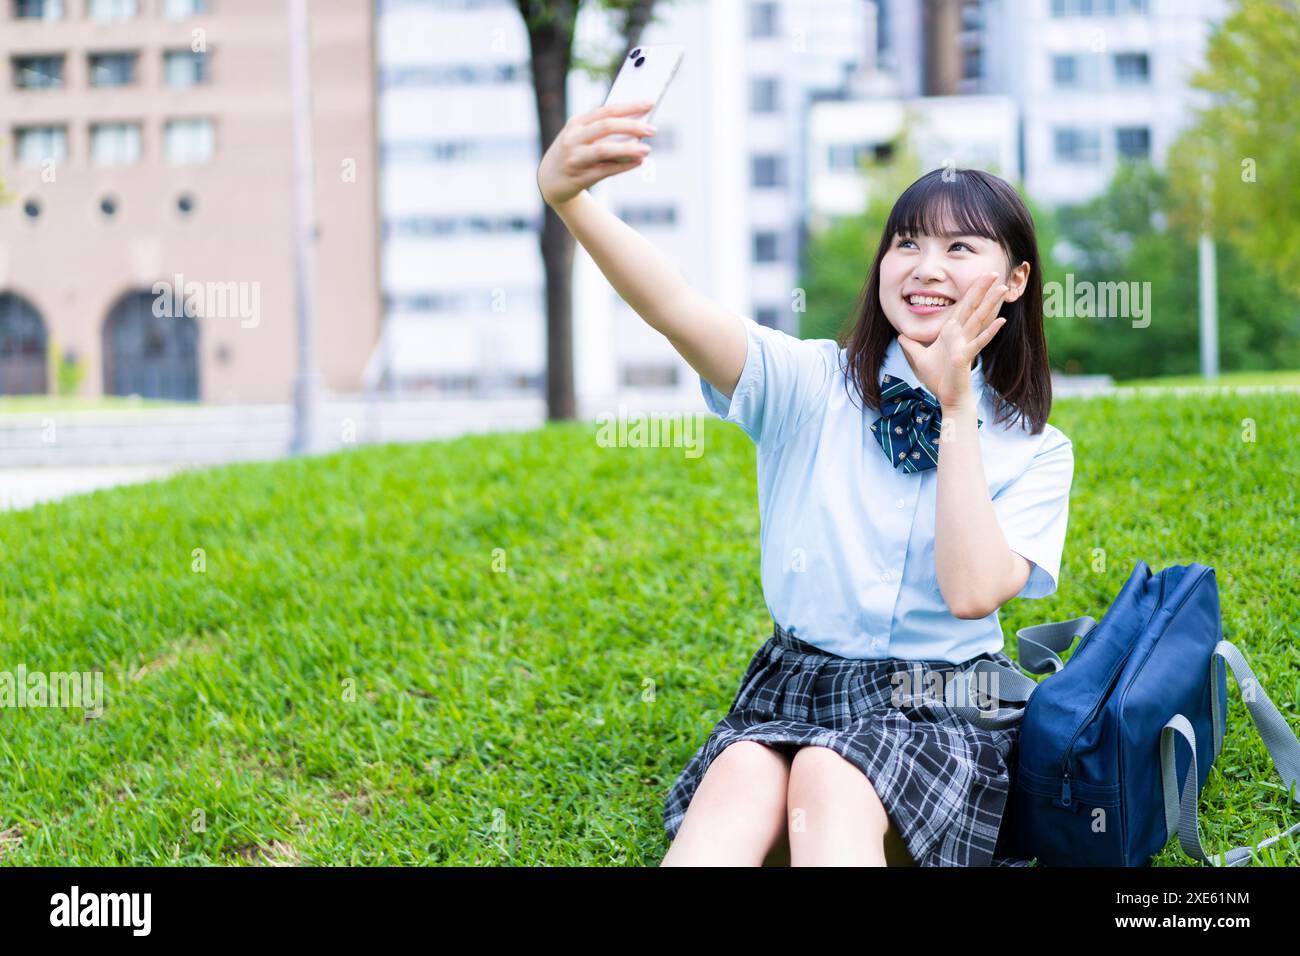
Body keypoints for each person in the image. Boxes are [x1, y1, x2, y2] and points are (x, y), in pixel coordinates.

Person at [536, 102, 1072, 867]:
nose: (925, 267)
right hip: (796, 683)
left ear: (1015, 279)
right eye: (907, 243)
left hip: (944, 700)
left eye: (960, 247)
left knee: (828, 772)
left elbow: (970, 592)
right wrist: (571, 199)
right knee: (744, 775)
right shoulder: (809, 383)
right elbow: (675, 307)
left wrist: (955, 405)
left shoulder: (1037, 450)